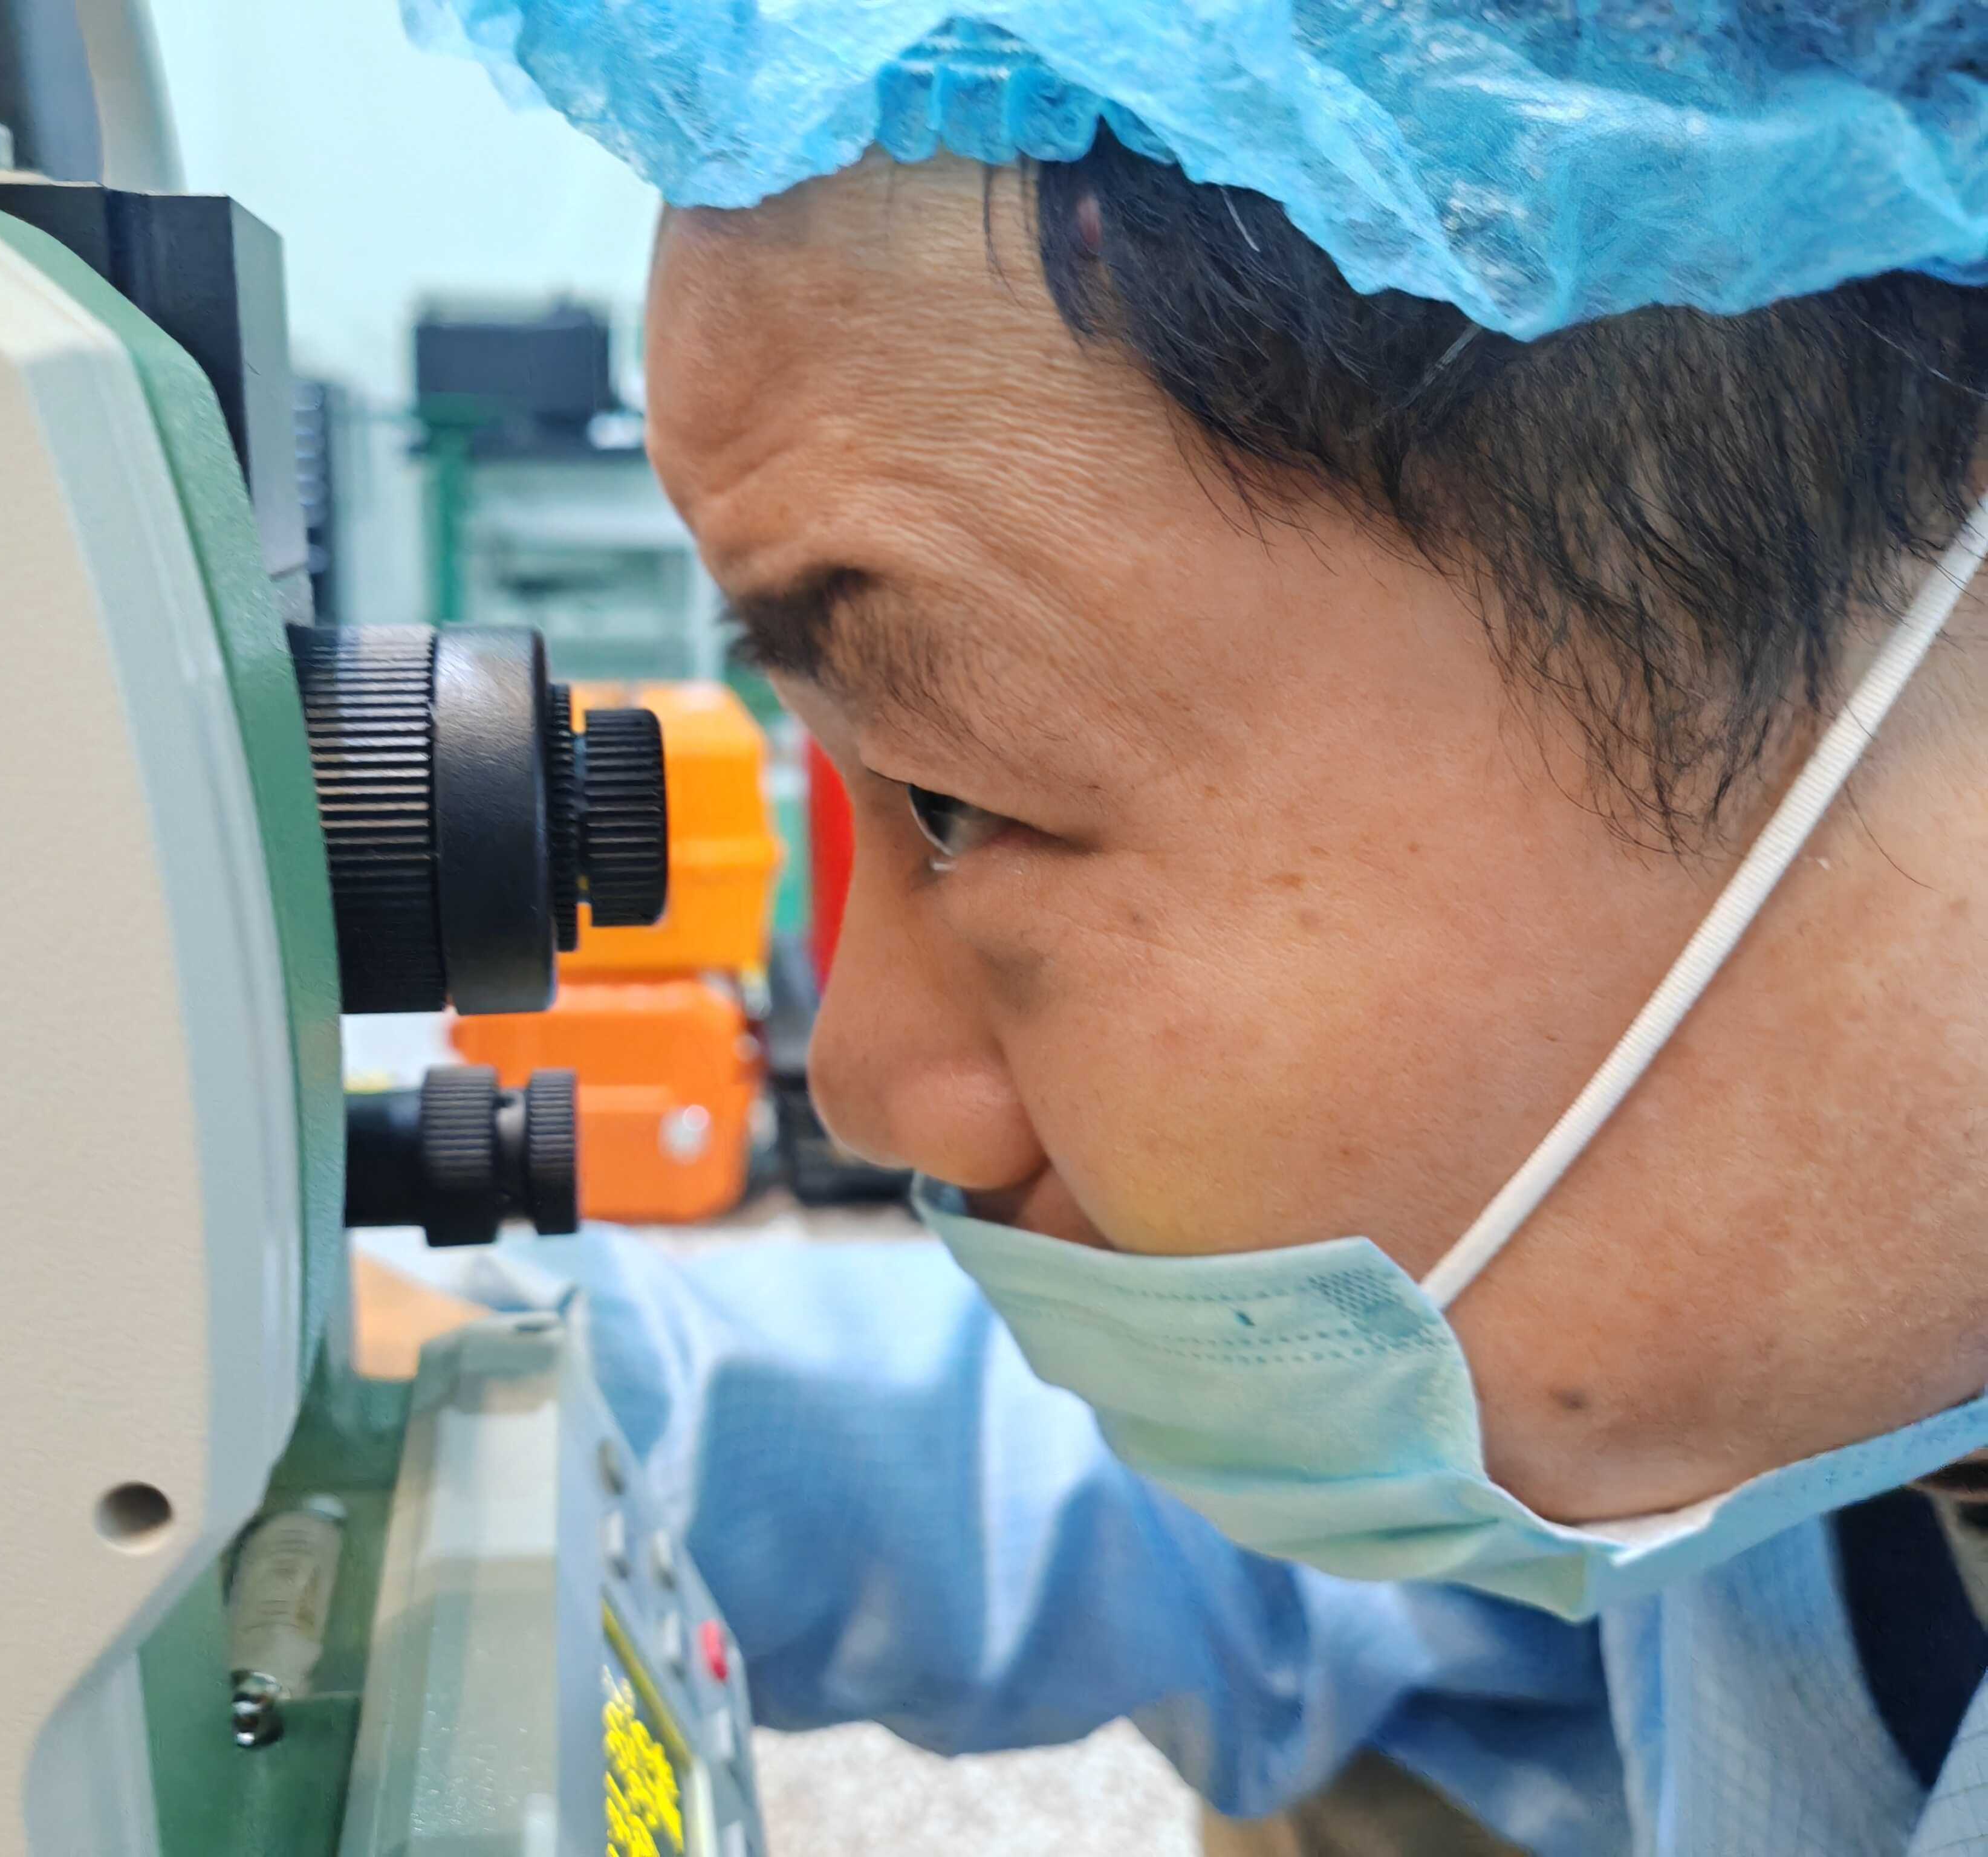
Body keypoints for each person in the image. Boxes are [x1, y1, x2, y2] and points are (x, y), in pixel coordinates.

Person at [386, 8, 1988, 1851]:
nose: (874, 1086)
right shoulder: (1761, 1422)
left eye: (960, 797)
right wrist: (462, 1376)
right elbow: (1217, 1550)